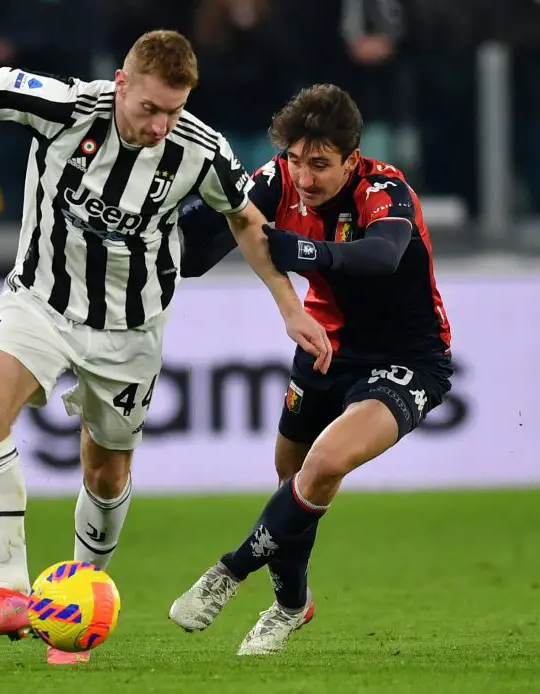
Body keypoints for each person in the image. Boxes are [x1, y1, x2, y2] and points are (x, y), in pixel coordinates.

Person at [0, 30, 332, 664]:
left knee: (106, 468)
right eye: (149, 108)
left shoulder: (200, 151)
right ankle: (10, 592)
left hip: (129, 327)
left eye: (173, 110)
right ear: (121, 83)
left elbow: (245, 221)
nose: (160, 124)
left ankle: (79, 603)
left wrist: (289, 306)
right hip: (40, 299)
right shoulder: (65, 107)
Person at [168, 84, 453, 656]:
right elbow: (198, 253)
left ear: (351, 160)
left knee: (323, 464)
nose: (304, 177)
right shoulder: (277, 178)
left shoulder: (383, 187)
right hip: (325, 346)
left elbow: (382, 255)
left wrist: (300, 251)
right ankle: (292, 606)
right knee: (291, 479)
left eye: (321, 165)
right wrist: (186, 216)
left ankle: (229, 572)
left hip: (407, 359)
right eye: (297, 160)